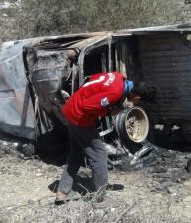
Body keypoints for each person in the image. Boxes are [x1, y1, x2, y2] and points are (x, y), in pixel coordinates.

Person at [56, 72, 146, 207]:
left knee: (77, 152)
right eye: (138, 100)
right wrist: (108, 112)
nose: (136, 102)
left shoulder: (118, 77)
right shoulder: (115, 92)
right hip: (79, 116)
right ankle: (100, 198)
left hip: (71, 108)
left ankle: (62, 192)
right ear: (136, 96)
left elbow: (91, 79)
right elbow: (88, 105)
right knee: (99, 154)